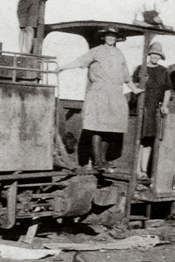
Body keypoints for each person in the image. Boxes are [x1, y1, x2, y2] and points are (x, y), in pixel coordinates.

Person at [57, 26, 143, 170]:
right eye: (108, 35)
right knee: (96, 127)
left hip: (115, 94)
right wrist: (63, 67)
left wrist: (135, 89)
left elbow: (126, 76)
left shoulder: (119, 53)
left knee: (110, 129)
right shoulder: (96, 51)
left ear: (117, 38)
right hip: (99, 93)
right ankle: (97, 161)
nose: (111, 38)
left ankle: (103, 160)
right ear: (104, 37)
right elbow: (80, 61)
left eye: (113, 36)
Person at [132, 41, 174, 179]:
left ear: (160, 57)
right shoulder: (141, 68)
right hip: (141, 106)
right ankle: (136, 170)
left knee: (148, 140)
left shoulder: (163, 71)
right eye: (153, 54)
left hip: (154, 109)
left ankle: (144, 170)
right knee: (138, 138)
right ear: (149, 55)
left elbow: (167, 90)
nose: (155, 57)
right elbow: (134, 85)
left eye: (158, 55)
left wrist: (165, 105)